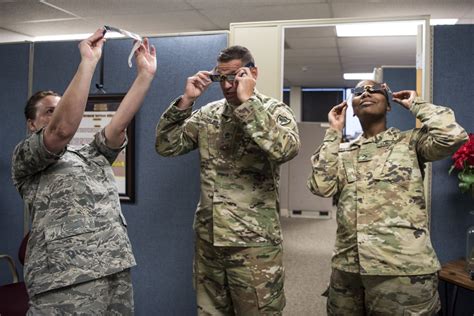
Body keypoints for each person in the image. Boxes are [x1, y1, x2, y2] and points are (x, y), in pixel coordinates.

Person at [11, 28, 157, 314]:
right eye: (49, 111)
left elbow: (117, 127)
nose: (57, 114)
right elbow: (61, 130)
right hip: (64, 279)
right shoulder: (27, 157)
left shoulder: (89, 154)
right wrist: (88, 62)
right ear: (32, 124)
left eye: (60, 107)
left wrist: (144, 77)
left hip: (113, 269)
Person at [155, 45, 300, 315]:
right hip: (209, 241)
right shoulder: (209, 114)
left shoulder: (273, 111)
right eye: (221, 78)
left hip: (253, 244)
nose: (228, 84)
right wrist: (186, 101)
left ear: (252, 73)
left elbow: (285, 149)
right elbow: (166, 145)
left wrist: (247, 105)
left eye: (234, 76)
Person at [307, 80, 468, 315]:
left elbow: (453, 136)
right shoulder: (343, 152)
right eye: (359, 91)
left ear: (389, 104)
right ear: (351, 106)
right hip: (348, 270)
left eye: (374, 89)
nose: (366, 93)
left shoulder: (410, 142)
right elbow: (320, 186)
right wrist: (333, 133)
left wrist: (416, 104)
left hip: (401, 270)